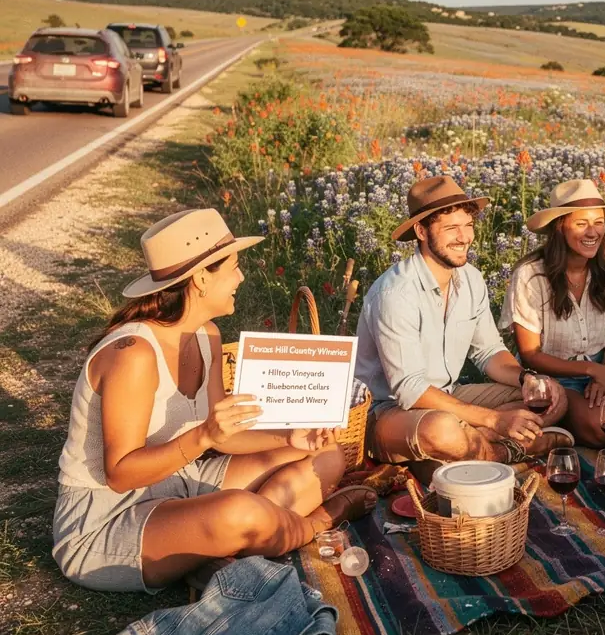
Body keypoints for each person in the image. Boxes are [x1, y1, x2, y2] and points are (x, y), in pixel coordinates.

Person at [53, 208, 377, 594]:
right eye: (234, 267)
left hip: (177, 482)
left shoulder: (206, 335)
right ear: (201, 278)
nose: (240, 277)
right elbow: (121, 474)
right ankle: (315, 523)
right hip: (108, 516)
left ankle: (224, 546)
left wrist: (288, 439)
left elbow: (223, 438)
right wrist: (203, 435)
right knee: (238, 511)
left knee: (327, 457)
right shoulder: (134, 355)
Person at [356, 176, 572, 469]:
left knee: (553, 395)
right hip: (388, 412)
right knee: (441, 430)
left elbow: (488, 352)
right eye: (451, 228)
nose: (464, 237)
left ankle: (470, 443)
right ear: (421, 231)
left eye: (468, 225)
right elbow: (409, 389)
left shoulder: (471, 279)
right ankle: (508, 451)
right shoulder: (395, 293)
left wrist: (527, 379)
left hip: (448, 397)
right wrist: (494, 419)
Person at [498, 178, 605, 446]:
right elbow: (530, 354)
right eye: (581, 223)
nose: (592, 232)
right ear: (560, 228)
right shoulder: (530, 275)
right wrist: (590, 370)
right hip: (553, 377)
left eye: (599, 222)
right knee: (602, 430)